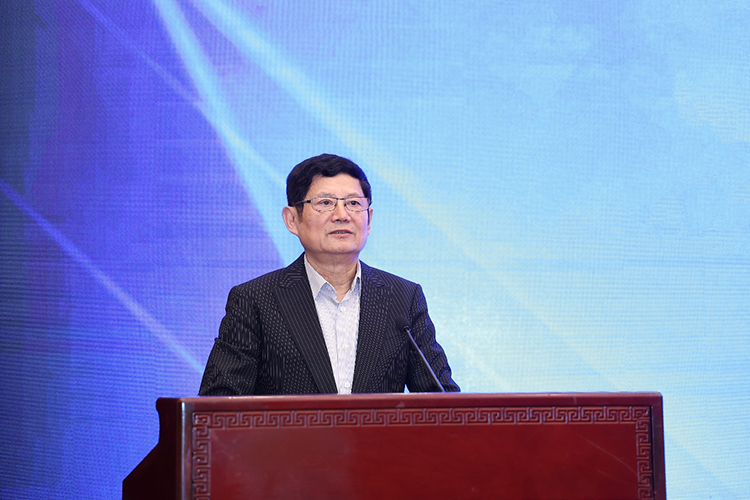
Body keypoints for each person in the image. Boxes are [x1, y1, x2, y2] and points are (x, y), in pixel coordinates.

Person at [198, 153, 459, 395]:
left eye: (353, 203)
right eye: (325, 203)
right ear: (292, 220)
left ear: (369, 219)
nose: (342, 215)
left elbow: (443, 402)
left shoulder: (403, 298)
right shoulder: (255, 300)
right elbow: (219, 402)